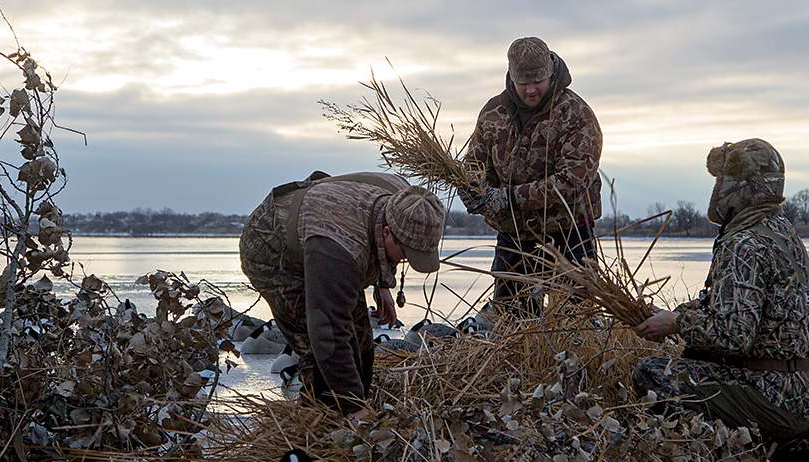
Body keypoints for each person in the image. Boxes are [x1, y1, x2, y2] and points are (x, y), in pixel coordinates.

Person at [630, 139, 809, 462]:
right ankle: (807, 450)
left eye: (723, 180)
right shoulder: (782, 231)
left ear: (742, 188)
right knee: (699, 358)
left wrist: (676, 325)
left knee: (652, 373)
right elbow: (742, 311)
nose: (717, 190)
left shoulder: (743, 243)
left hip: (776, 395)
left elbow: (732, 335)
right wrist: (681, 314)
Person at [239, 171, 446, 426]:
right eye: (407, 253)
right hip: (273, 249)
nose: (407, 261)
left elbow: (380, 246)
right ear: (388, 232)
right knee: (318, 354)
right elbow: (328, 332)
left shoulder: (409, 201)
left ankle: (356, 410)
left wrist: (383, 284)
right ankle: (317, 428)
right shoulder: (342, 251)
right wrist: (353, 406)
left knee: (361, 343)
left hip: (325, 239)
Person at [462, 36, 603, 315]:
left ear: (551, 73)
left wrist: (506, 198)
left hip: (568, 235)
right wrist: (472, 188)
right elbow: (474, 163)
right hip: (513, 237)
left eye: (537, 81)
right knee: (511, 323)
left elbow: (571, 184)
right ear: (510, 77)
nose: (529, 90)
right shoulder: (493, 112)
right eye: (522, 82)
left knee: (575, 324)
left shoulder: (577, 116)